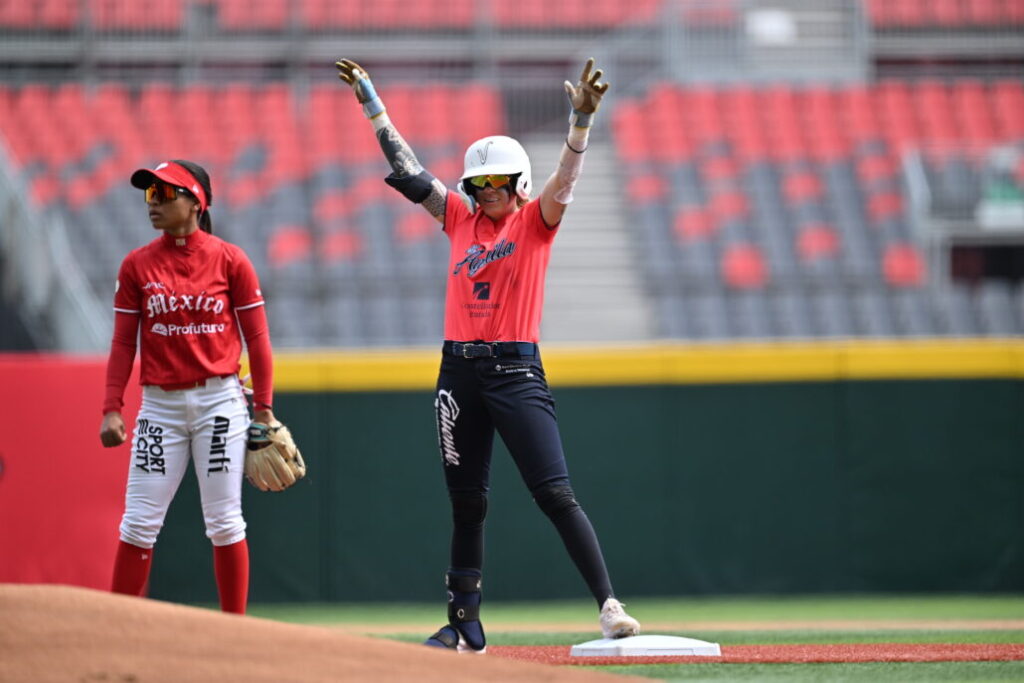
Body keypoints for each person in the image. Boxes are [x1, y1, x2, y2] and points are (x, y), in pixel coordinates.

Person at [335, 57, 641, 652]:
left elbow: (567, 182)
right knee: (467, 503)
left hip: (515, 370)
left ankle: (608, 605)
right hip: (459, 372)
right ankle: (464, 625)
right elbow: (409, 169)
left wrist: (579, 123)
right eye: (479, 183)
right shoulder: (457, 218)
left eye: (496, 182)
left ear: (519, 184)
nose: (485, 191)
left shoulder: (535, 223)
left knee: (554, 492)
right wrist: (374, 106)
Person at [99, 159, 277, 614]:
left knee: (223, 521)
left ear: (196, 201)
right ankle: (114, 629)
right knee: (138, 524)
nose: (152, 204)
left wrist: (264, 411)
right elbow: (122, 342)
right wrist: (112, 407)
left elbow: (258, 340)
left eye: (163, 194)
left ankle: (232, 629)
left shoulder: (230, 259)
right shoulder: (137, 265)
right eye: (149, 195)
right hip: (159, 407)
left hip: (219, 400)